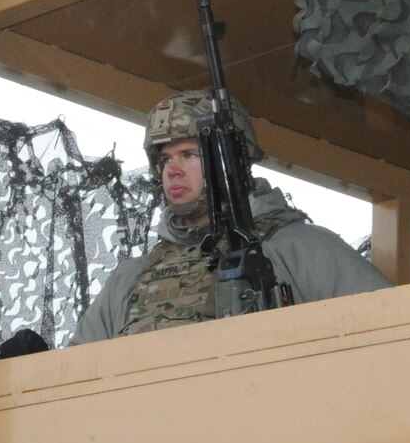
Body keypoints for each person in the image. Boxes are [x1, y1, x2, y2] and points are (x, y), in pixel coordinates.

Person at [72, 91, 390, 345]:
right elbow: (77, 374)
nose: (172, 169)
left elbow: (390, 329)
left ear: (230, 162)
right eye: (165, 158)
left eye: (189, 155)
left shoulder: (300, 248)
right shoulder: (130, 277)